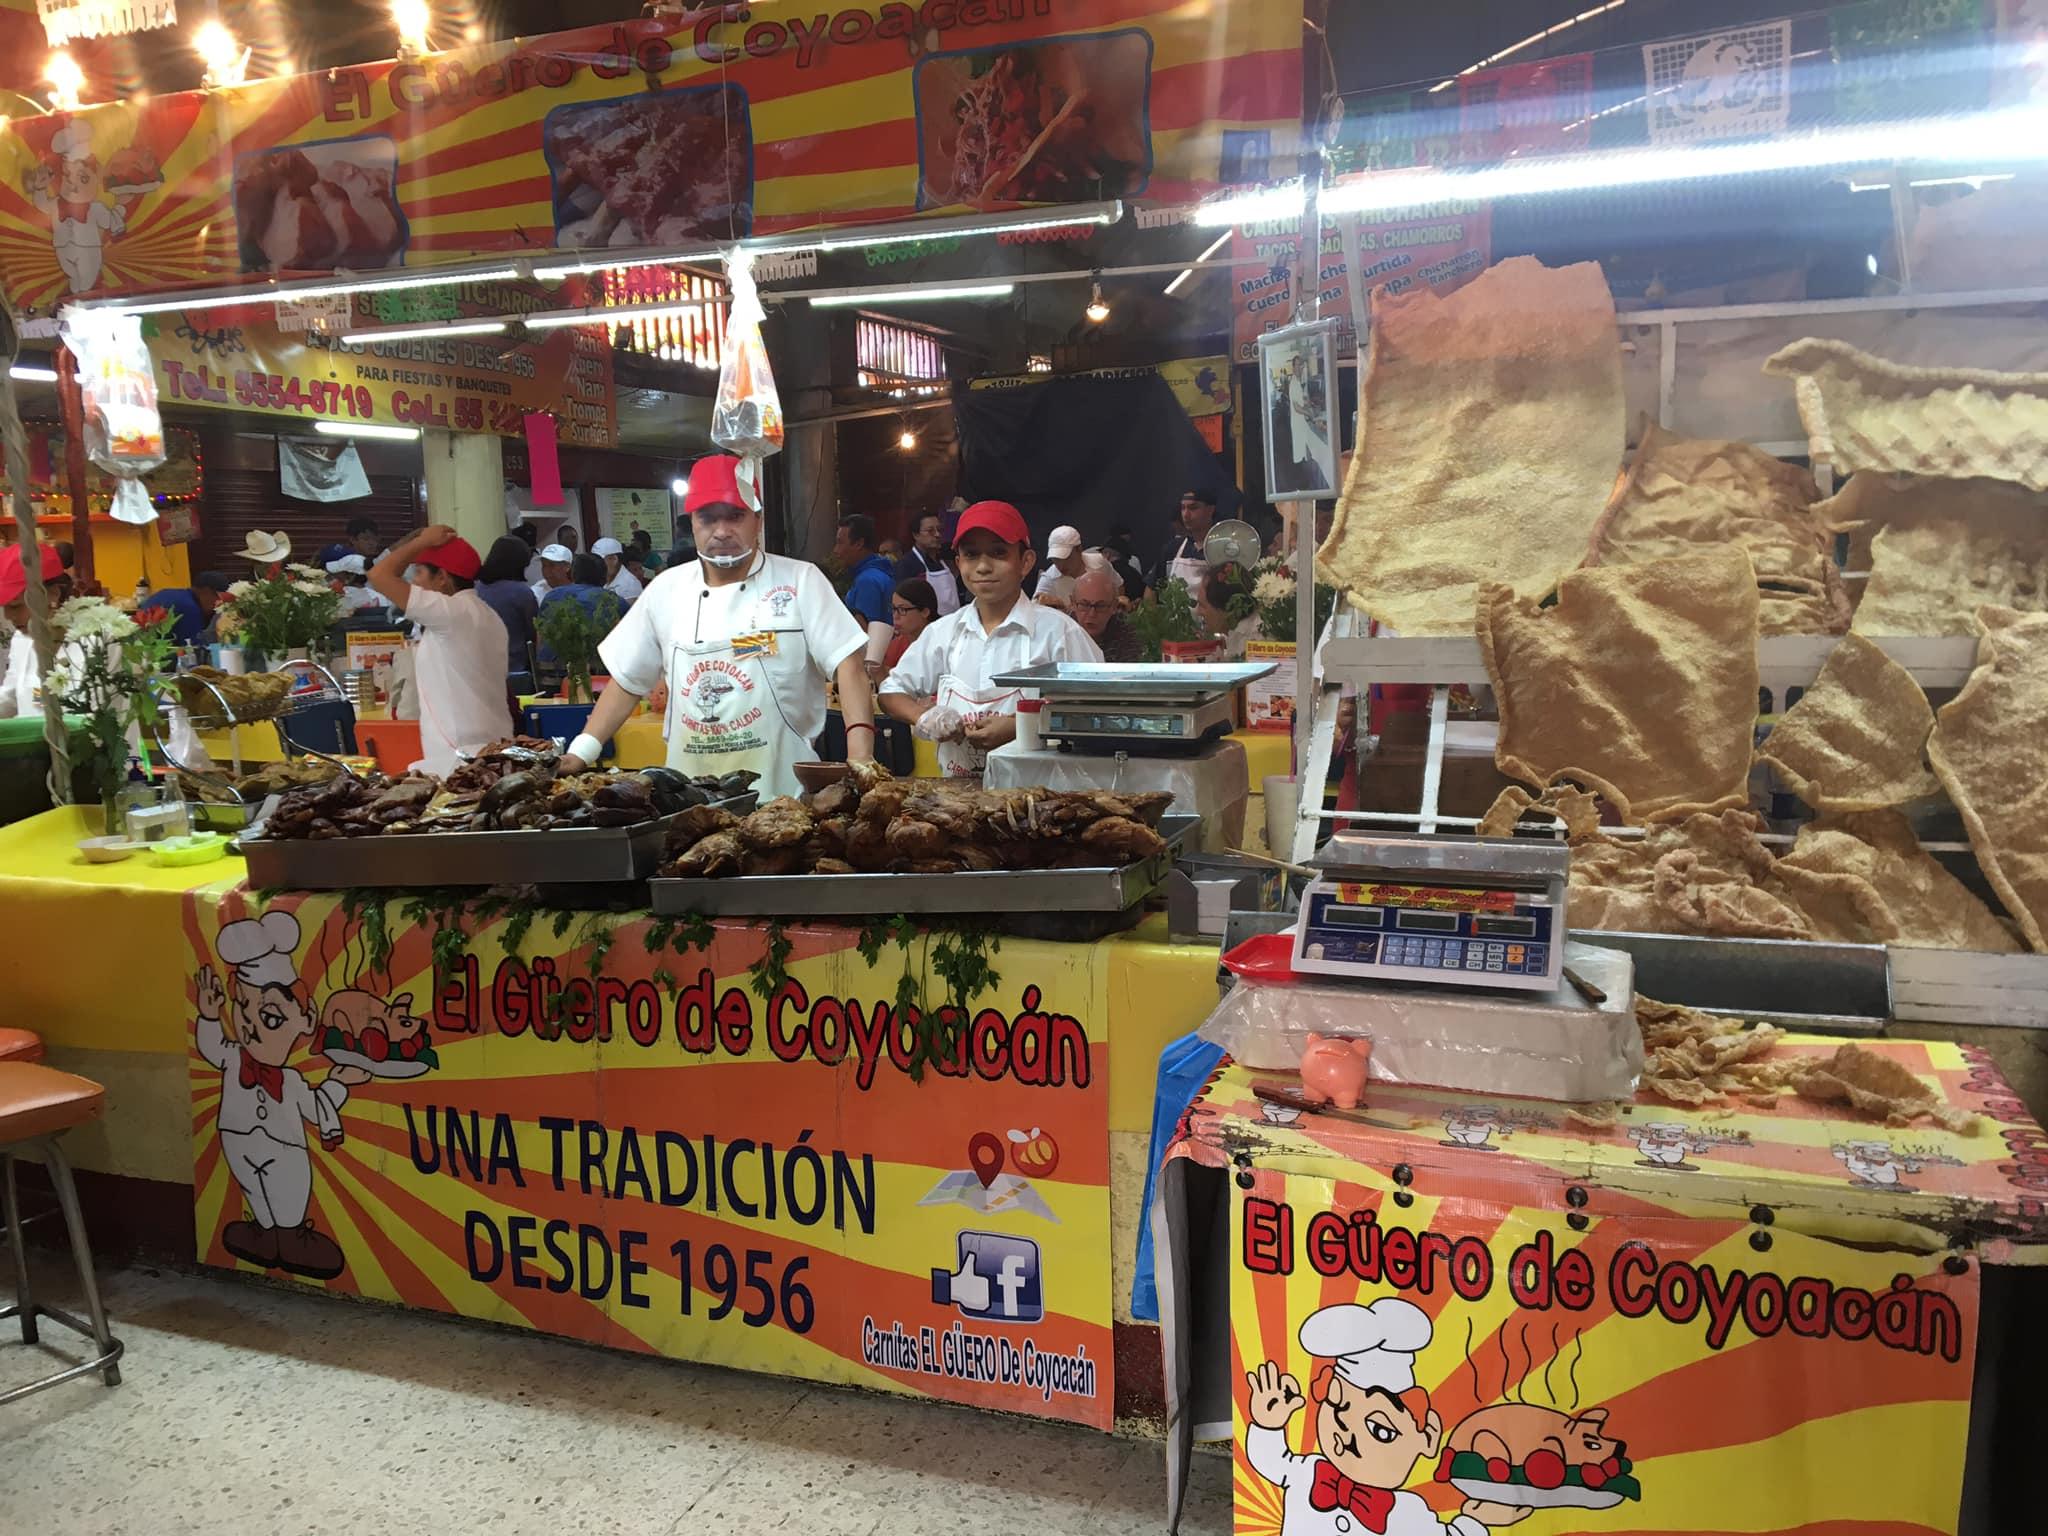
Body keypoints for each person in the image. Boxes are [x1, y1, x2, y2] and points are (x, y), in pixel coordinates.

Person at [559, 454, 874, 797]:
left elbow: (849, 664)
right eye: (708, 518)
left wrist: (860, 759)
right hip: (690, 802)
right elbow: (627, 681)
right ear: (692, 523)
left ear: (758, 520)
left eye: (735, 516)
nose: (722, 531)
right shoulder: (665, 590)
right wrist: (581, 751)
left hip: (785, 797)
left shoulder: (800, 581)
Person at [880, 500, 1101, 778]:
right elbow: (890, 692)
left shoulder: (1059, 633)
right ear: (959, 563)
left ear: (1025, 562)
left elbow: (1097, 708)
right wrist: (924, 717)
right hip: (958, 796)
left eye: (998, 553)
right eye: (971, 555)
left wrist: (1022, 724)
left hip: (1040, 795)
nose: (983, 566)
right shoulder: (944, 633)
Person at [368, 526, 514, 775]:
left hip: (460, 757)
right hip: (490, 747)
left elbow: (379, 575)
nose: (413, 581)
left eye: (419, 572)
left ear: (442, 577)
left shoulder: (450, 612)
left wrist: (420, 542)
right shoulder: (486, 614)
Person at [0, 542, 74, 718]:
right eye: (4, 607)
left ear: (53, 593)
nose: (8, 616)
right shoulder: (21, 639)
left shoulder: (95, 643)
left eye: (16, 606)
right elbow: (10, 699)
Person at [835, 515, 897, 679]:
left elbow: (864, 634)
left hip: (872, 667)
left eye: (840, 542)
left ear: (859, 544)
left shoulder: (867, 581)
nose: (836, 550)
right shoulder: (879, 573)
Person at [474, 535, 541, 675]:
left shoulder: (476, 589)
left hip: (480, 668)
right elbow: (534, 633)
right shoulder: (521, 592)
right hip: (515, 669)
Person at [1153, 489, 1217, 595]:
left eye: (1193, 508)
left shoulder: (1223, 549)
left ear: (1210, 510)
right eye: (1183, 508)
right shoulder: (1172, 549)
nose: (1186, 515)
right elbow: (1152, 588)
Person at [895, 509, 960, 615]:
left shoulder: (945, 560)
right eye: (930, 531)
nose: (937, 534)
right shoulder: (907, 565)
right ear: (916, 535)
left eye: (940, 530)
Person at [1071, 566, 1141, 663]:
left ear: (1114, 606)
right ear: (1073, 604)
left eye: (1101, 606)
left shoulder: (1128, 633)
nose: (1092, 614)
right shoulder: (1059, 631)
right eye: (1084, 605)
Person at [141, 570, 228, 645]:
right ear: (206, 591)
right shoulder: (189, 608)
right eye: (219, 598)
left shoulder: (165, 593)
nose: (219, 604)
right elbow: (193, 648)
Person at [1197, 568, 1260, 660]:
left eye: (1202, 605)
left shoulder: (1254, 638)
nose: (1198, 612)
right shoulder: (1235, 634)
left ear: (1225, 608)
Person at [886, 577, 938, 671]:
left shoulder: (944, 642)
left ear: (925, 612)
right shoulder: (896, 646)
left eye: (902, 609)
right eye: (894, 609)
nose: (895, 616)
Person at [1034, 525, 1088, 609]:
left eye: (1066, 558)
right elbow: (1034, 608)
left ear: (1079, 549)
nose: (1061, 565)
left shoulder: (1100, 564)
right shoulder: (1049, 579)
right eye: (1056, 559)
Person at [592, 537, 643, 604]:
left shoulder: (630, 585)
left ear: (614, 559)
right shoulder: (599, 578)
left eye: (599, 560)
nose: (596, 563)